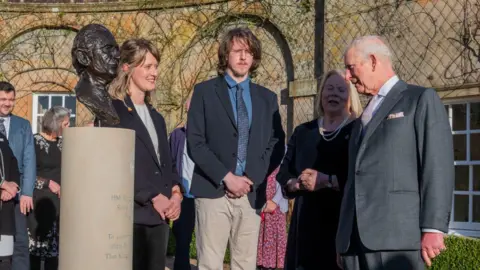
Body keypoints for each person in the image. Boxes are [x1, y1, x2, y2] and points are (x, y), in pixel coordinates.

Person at [336, 35, 454, 270]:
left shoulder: (419, 99)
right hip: (353, 242)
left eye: (351, 67)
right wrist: (342, 238)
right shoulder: (362, 116)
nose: (347, 76)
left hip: (396, 240)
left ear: (372, 61)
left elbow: (437, 166)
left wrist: (433, 228)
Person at [187, 27, 285, 270]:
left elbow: (277, 143)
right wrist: (227, 177)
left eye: (249, 52)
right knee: (209, 264)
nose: (243, 57)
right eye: (237, 51)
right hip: (212, 191)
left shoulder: (267, 98)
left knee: (245, 264)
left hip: (251, 193)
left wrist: (252, 177)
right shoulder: (204, 92)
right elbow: (195, 142)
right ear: (225, 55)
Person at [108, 38, 183, 270]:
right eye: (148, 66)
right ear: (127, 68)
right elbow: (116, 166)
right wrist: (152, 196)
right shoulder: (113, 112)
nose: (155, 73)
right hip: (130, 218)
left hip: (159, 219)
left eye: (156, 66)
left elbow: (167, 163)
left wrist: (176, 194)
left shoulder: (157, 118)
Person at [276, 69, 363, 270]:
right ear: (321, 94)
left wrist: (328, 180)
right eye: (329, 88)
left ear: (350, 96)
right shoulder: (304, 131)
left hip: (342, 224)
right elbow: (284, 172)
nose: (334, 94)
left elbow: (363, 176)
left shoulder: (359, 131)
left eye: (341, 90)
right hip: (306, 225)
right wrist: (295, 183)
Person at [28, 106, 70, 270]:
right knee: (37, 253)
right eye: (65, 124)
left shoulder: (64, 143)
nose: (68, 127)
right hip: (41, 202)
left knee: (56, 254)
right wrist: (47, 183)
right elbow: (26, 173)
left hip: (61, 204)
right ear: (56, 123)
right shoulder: (34, 142)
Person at [0, 82, 36, 270]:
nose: (7, 103)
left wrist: (27, 192)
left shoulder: (23, 125)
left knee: (21, 241)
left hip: (18, 193)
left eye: (11, 100)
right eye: (3, 99)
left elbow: (29, 160)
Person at [169, 97, 195, 270]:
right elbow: (171, 162)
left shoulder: (212, 134)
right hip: (185, 193)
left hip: (206, 193)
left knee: (207, 239)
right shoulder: (178, 135)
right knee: (182, 236)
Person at [256, 166, 288, 270]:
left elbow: (285, 177)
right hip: (260, 205)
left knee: (273, 243)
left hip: (276, 208)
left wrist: (275, 201)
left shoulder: (284, 151)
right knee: (259, 241)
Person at [0, 132, 21, 270]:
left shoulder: (1, 136)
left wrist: (13, 185)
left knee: (5, 259)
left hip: (5, 206)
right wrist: (3, 184)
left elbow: (13, 162)